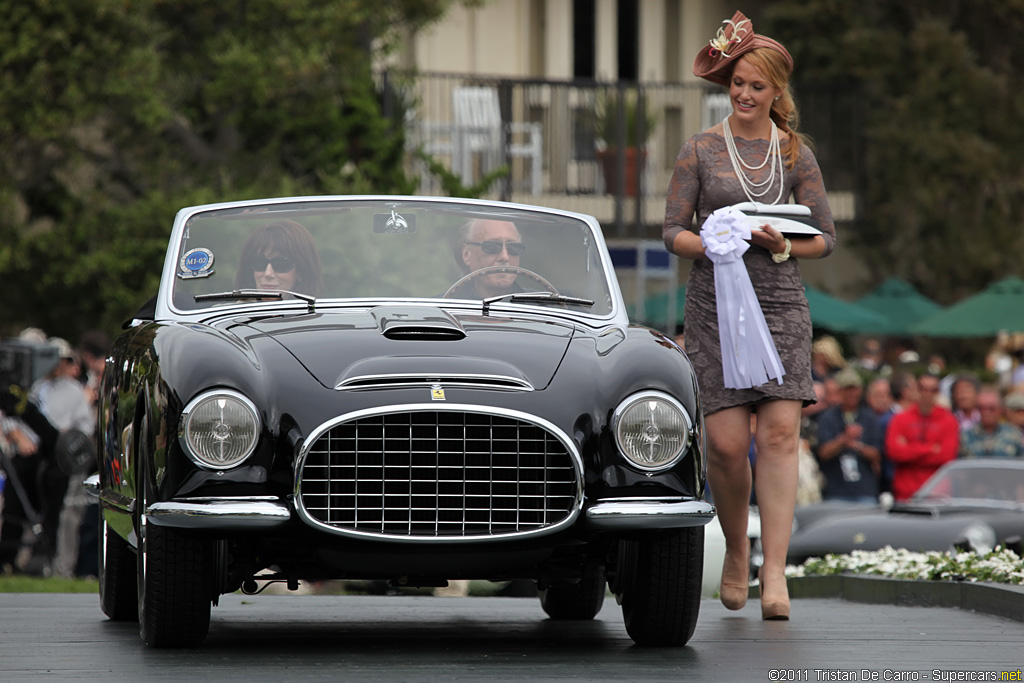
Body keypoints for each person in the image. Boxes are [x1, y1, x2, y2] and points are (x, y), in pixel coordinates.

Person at [662, 10, 835, 620]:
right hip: (714, 305)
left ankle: (775, 574)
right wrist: (710, 243)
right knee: (727, 444)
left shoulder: (796, 155)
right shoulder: (700, 149)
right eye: (737, 83)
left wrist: (780, 245)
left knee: (780, 435)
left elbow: (824, 239)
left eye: (756, 86)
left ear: (776, 93)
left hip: (782, 303)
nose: (743, 93)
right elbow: (670, 232)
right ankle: (738, 549)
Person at [885, 373, 959, 501]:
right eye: (923, 389)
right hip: (905, 493)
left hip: (937, 493)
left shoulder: (948, 420)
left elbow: (947, 455)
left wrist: (909, 448)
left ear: (938, 392)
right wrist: (931, 449)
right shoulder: (900, 418)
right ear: (916, 390)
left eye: (932, 390)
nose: (927, 394)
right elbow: (894, 451)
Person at [813, 369, 882, 504]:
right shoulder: (827, 418)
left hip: (865, 490)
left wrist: (858, 446)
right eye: (847, 389)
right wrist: (844, 439)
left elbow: (877, 454)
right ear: (840, 392)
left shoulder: (869, 418)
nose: (852, 393)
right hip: (835, 491)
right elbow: (823, 452)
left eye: (854, 389)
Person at [235, 220, 323, 296]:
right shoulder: (234, 314)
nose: (268, 274)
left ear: (301, 270)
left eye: (280, 263)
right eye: (259, 262)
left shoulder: (322, 314)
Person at [449, 218, 527, 299]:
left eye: (514, 247)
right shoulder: (441, 308)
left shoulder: (538, 305)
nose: (505, 257)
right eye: (492, 247)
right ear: (466, 254)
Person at [959, 390, 1024, 459]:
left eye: (991, 408)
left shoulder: (1014, 434)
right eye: (981, 408)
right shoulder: (966, 436)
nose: (986, 412)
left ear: (1000, 410)